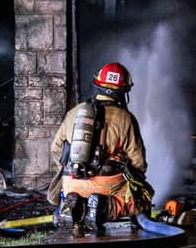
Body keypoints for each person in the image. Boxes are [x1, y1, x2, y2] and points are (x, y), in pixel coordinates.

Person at [48, 62, 153, 236]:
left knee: (75, 193)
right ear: (123, 91)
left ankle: (74, 206)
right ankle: (103, 208)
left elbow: (56, 149)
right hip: (107, 187)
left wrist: (71, 172)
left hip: (71, 184)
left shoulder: (74, 112)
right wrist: (135, 182)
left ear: (98, 86)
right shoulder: (125, 118)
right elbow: (138, 161)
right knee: (145, 196)